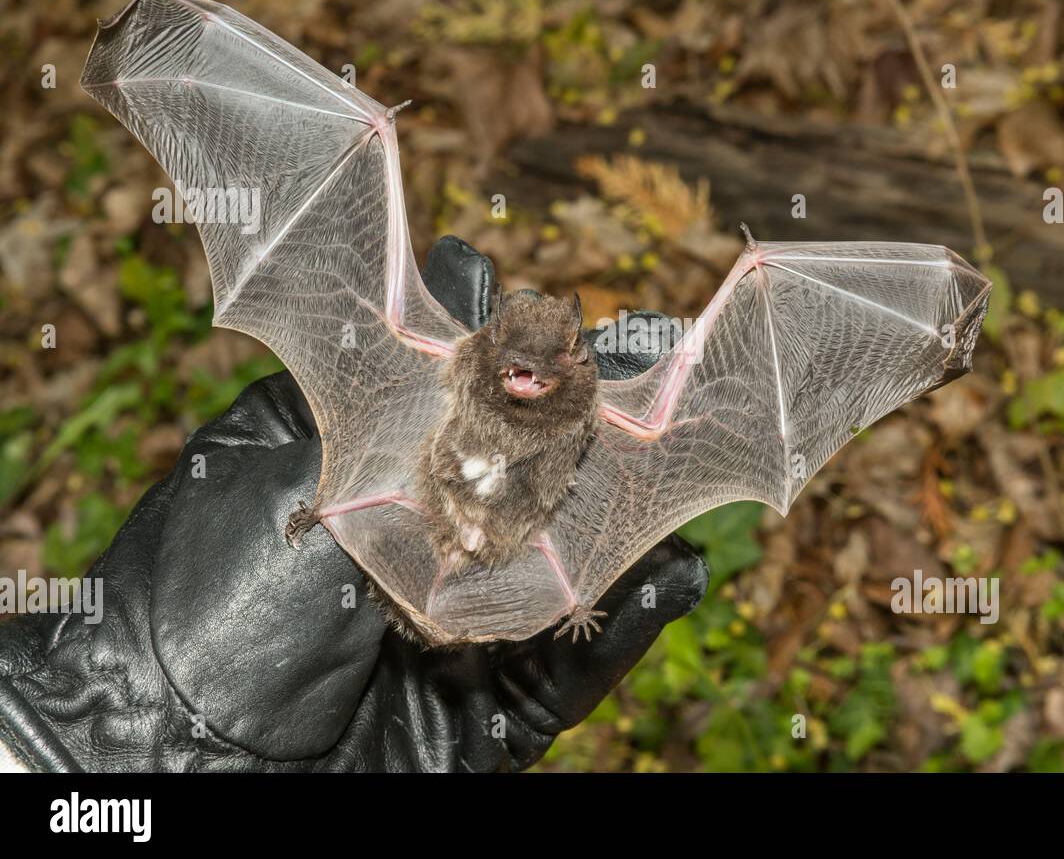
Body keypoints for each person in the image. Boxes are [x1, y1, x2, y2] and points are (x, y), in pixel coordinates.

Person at [0, 237, 708, 771]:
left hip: (493, 547)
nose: (529, 382)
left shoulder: (583, 416)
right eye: (518, 368)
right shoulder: (455, 376)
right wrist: (143, 728)